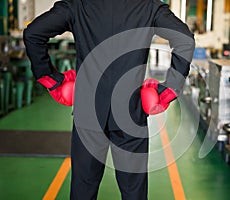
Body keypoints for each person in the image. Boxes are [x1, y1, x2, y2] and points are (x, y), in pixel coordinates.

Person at [23, 0, 195, 199]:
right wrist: (168, 90)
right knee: (134, 192)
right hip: (131, 112)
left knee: (83, 189)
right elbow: (185, 40)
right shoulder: (148, 6)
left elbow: (33, 33)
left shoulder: (78, 5)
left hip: (88, 111)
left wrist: (52, 79)